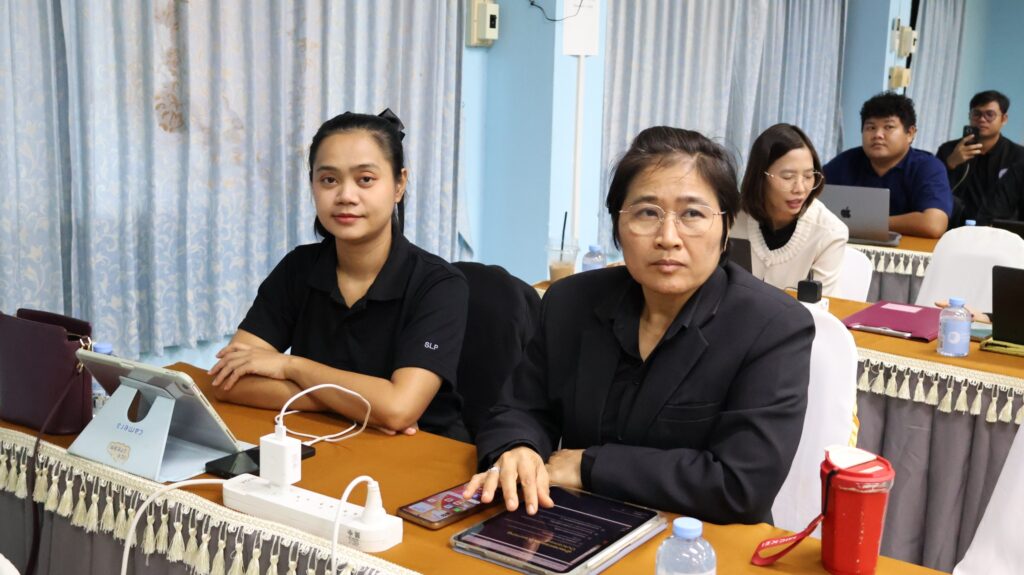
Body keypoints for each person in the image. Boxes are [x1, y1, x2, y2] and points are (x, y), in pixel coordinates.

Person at [464, 127, 815, 525]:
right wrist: (518, 448)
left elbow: (740, 484)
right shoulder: (570, 302)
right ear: (618, 225)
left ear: (725, 227)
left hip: (700, 541)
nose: (668, 237)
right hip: (571, 522)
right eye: (647, 212)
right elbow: (518, 408)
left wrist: (589, 466)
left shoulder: (773, 326)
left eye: (692, 214)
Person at [210, 110, 470, 440]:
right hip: (327, 439)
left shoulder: (439, 285)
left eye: (365, 179)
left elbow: (398, 410)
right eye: (329, 180)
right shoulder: (298, 268)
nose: (346, 196)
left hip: (422, 451)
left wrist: (292, 366)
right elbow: (228, 381)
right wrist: (362, 406)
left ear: (399, 184)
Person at [733, 124, 848, 295]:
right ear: (760, 176)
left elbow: (820, 306)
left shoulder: (830, 232)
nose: (800, 189)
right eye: (788, 177)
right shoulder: (731, 217)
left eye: (808, 176)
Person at [823, 92, 952, 238]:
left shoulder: (928, 167)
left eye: (888, 127)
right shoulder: (845, 162)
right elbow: (810, 201)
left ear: (910, 133)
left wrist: (865, 222)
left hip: (906, 250)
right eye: (871, 128)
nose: (878, 135)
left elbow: (933, 224)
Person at [936, 91, 1024, 226]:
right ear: (969, 116)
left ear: (1004, 119)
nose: (982, 119)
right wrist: (950, 164)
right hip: (953, 225)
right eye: (976, 114)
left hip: (998, 229)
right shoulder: (949, 150)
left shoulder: (1018, 156)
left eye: (990, 114)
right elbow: (933, 191)